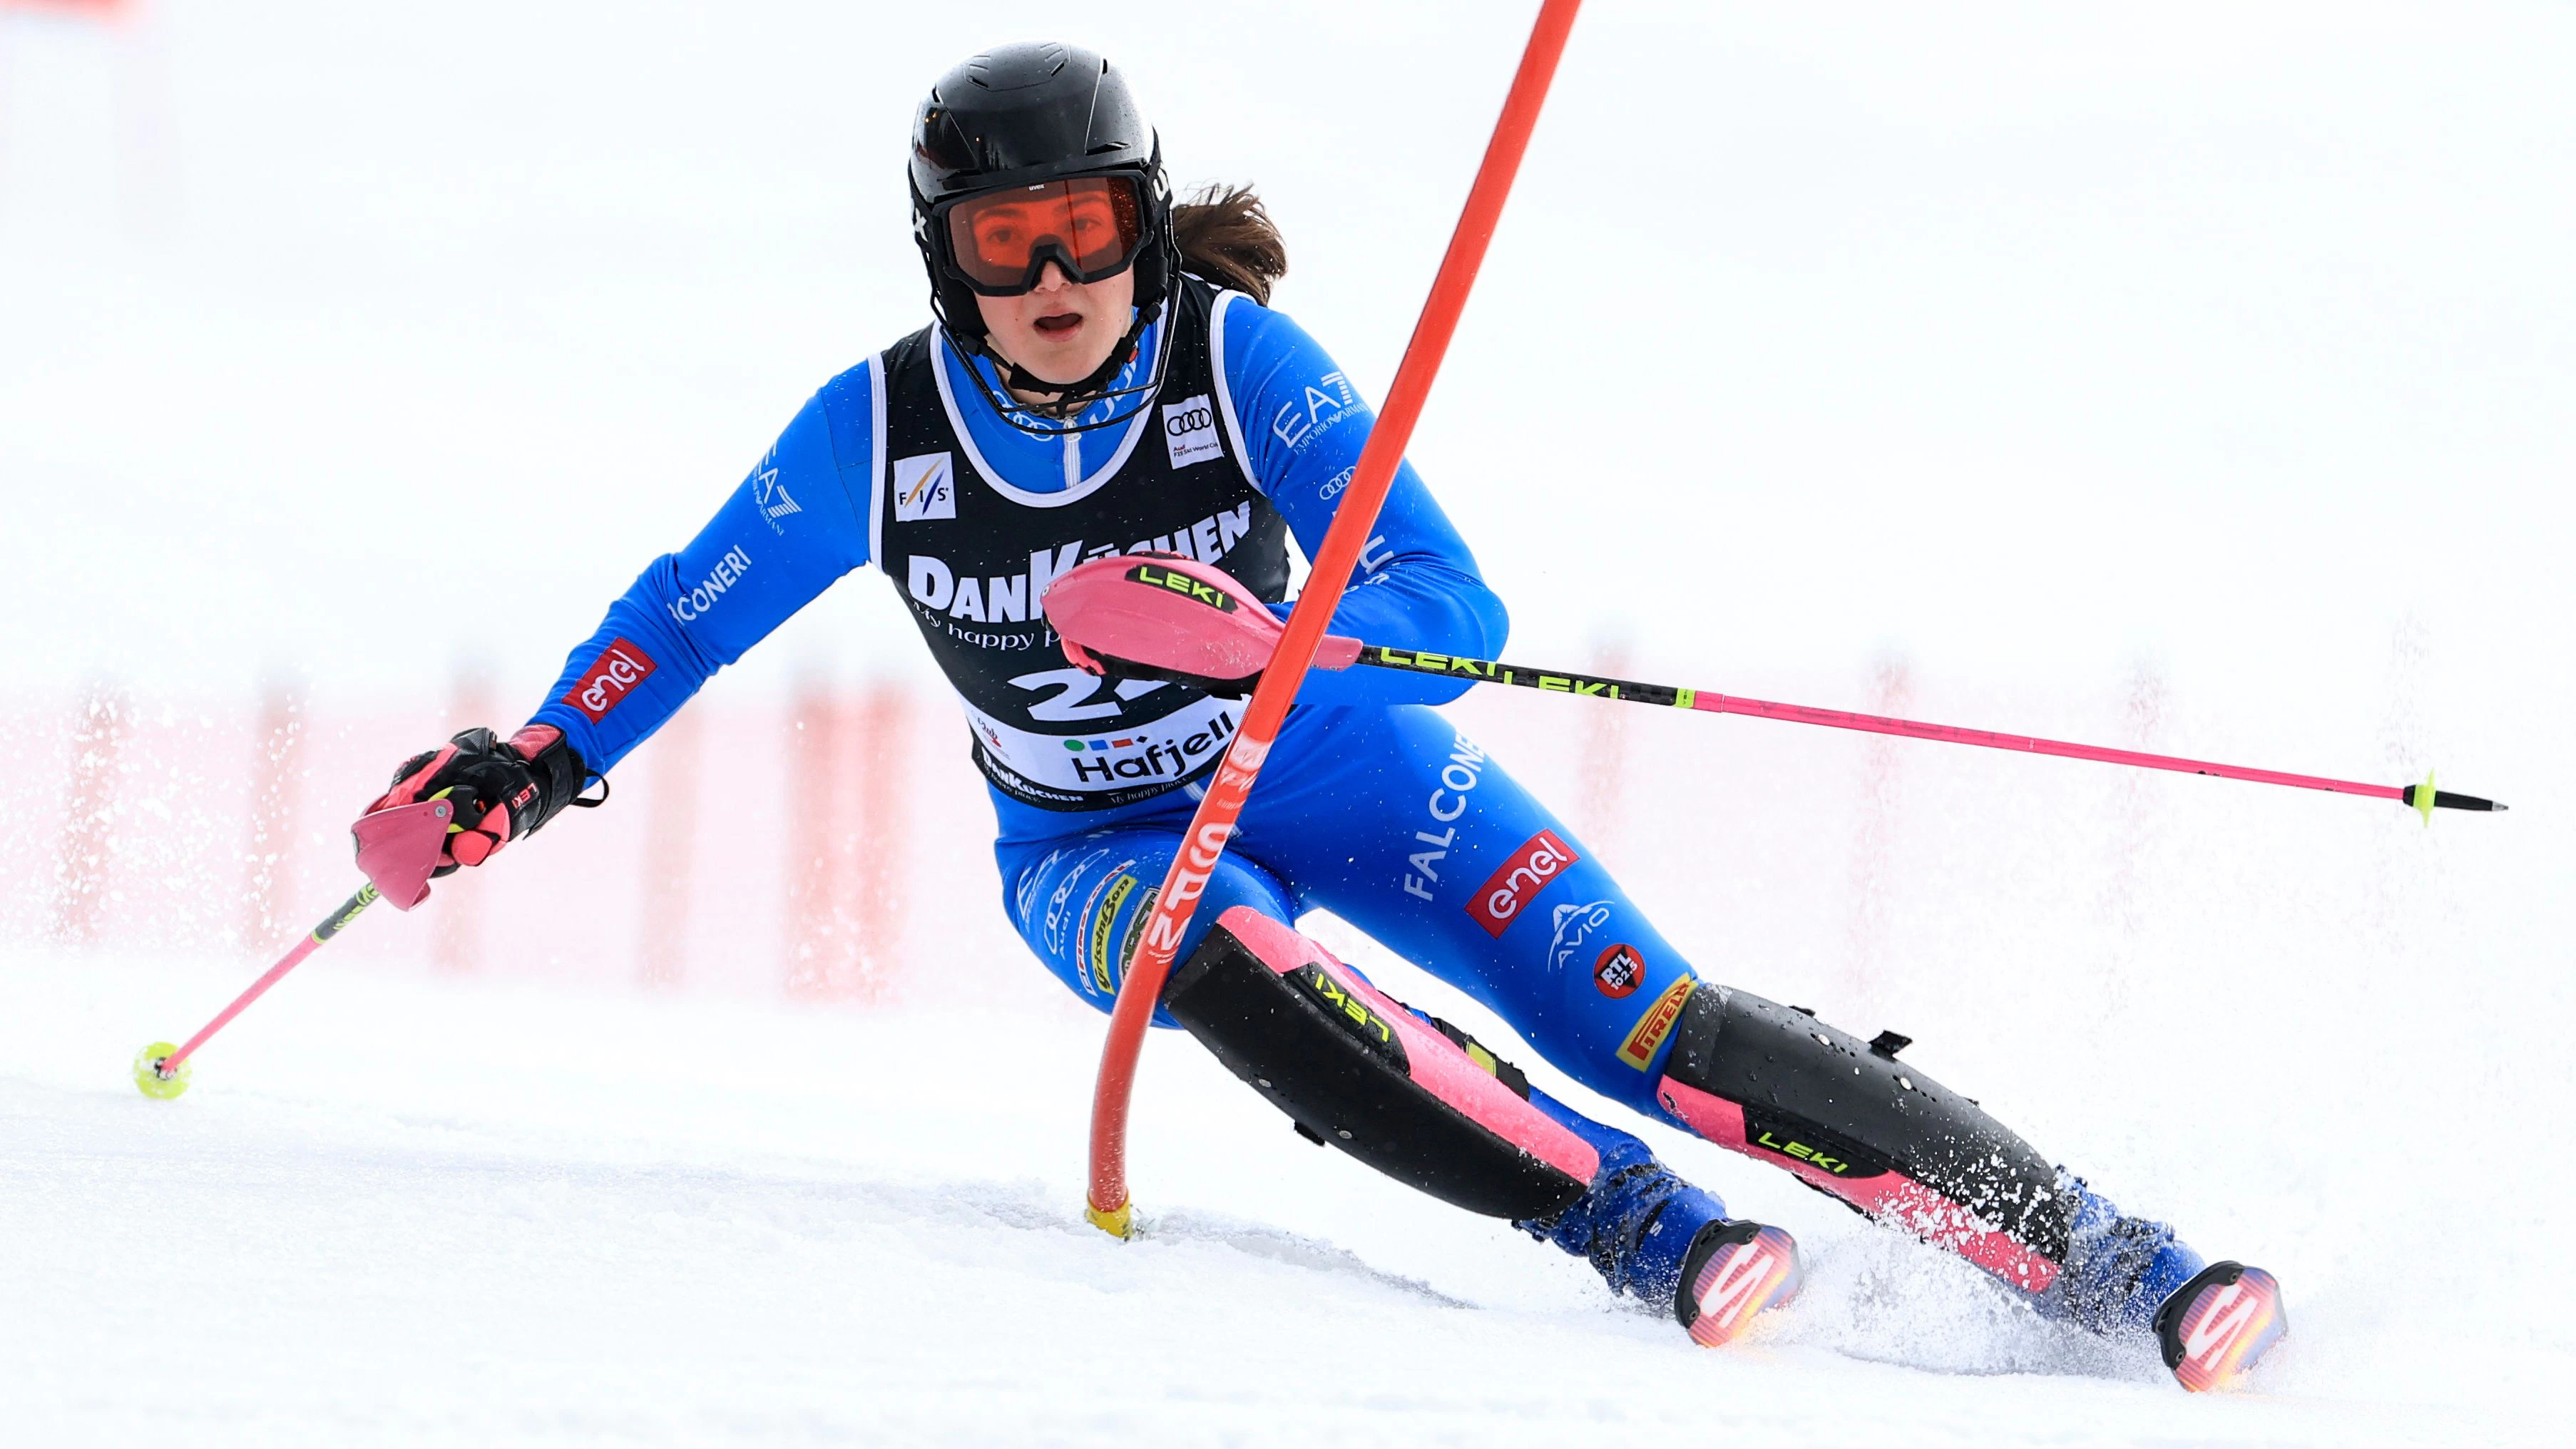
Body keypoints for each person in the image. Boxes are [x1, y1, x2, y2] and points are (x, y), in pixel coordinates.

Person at [358, 41, 2284, 1388]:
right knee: (1226, 961)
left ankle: (2114, 1264)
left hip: (1342, 764)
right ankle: (1643, 1233)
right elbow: (686, 613)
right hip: (1094, 846)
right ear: (945, 254)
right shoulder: (877, 430)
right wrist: (534, 765)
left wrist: (1278, 647)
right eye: (1006, 241)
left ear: (1142, 222)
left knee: (1650, 1023)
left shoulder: (1233, 361)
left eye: (1087, 225)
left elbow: (1449, 601)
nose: (1055, 276)